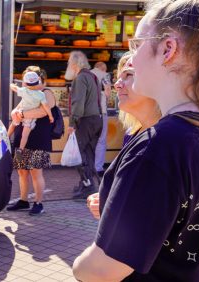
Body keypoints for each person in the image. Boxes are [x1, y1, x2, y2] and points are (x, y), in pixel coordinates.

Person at [73, 0, 199, 280]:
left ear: (168, 50)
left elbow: (101, 270)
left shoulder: (159, 145)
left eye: (137, 45)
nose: (131, 58)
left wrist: (79, 265)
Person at [87, 52, 161, 220]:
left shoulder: (169, 138)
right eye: (118, 77)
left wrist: (114, 204)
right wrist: (108, 198)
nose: (117, 85)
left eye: (128, 75)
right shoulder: (132, 133)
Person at [6, 66, 55, 215]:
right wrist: (17, 113)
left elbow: (43, 111)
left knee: (35, 172)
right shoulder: (28, 93)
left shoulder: (46, 93)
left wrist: (21, 113)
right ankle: (23, 200)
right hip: (23, 138)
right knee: (22, 171)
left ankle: (38, 203)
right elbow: (16, 112)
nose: (26, 83)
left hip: (38, 138)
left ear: (40, 79)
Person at [66, 51, 103, 199]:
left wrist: (72, 123)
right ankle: (87, 184)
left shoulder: (81, 78)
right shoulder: (92, 76)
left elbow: (78, 103)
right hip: (96, 119)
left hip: (85, 120)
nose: (68, 65)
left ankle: (87, 186)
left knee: (80, 154)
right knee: (88, 153)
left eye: (69, 63)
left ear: (74, 64)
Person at [8, 71, 54, 161]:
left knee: (13, 124)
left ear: (25, 83)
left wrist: (12, 84)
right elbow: (46, 107)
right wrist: (50, 116)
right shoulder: (41, 94)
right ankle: (20, 150)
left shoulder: (24, 91)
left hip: (20, 112)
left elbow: (13, 87)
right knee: (25, 135)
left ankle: (6, 136)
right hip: (30, 118)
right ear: (39, 81)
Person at [91, 62, 112, 178]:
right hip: (100, 112)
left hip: (86, 114)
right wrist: (105, 96)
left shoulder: (84, 75)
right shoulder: (104, 75)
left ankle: (87, 166)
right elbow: (108, 91)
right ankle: (97, 168)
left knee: (89, 140)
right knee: (101, 140)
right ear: (103, 68)